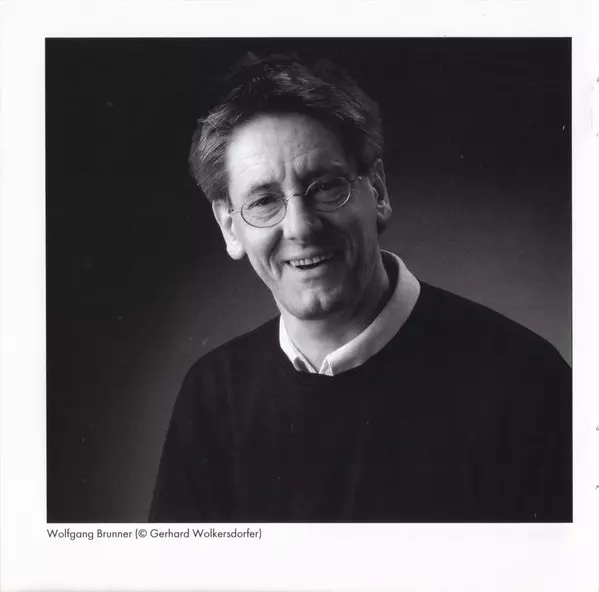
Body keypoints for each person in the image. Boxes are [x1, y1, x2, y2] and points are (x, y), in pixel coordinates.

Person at [150, 53, 571, 523]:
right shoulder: (211, 396)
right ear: (230, 227)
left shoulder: (526, 382)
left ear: (379, 192)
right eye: (264, 201)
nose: (301, 227)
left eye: (326, 187)